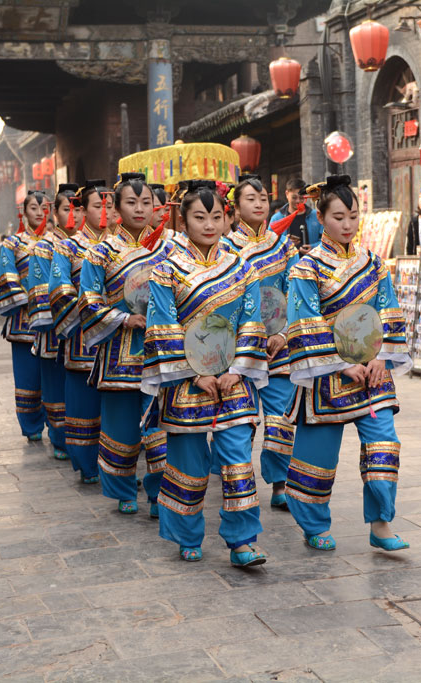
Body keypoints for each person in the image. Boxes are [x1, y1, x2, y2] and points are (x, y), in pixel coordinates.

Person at [142, 179, 269, 567]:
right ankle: (187, 534)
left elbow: (252, 321)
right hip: (187, 382)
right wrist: (195, 373)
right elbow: (163, 327)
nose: (209, 225)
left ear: (227, 218)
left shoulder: (242, 267)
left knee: (237, 460)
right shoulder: (166, 271)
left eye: (216, 216)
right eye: (200, 217)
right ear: (183, 220)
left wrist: (238, 368)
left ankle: (243, 540)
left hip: (233, 379)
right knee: (189, 464)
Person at [284, 175, 412, 552]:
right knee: (317, 460)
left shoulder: (373, 263)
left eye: (353, 217)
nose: (347, 225)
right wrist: (340, 364)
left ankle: (381, 524)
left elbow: (388, 310)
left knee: (384, 445)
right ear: (320, 217)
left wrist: (383, 357)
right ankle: (314, 524)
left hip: (372, 373)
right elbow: (304, 321)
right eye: (338, 217)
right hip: (328, 376)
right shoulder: (306, 268)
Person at [79, 174, 171, 515]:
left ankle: (159, 494)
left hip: (162, 351)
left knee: (161, 427)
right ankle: (123, 490)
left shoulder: (169, 248)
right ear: (116, 208)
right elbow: (88, 300)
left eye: (146, 202)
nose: (140, 209)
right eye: (131, 202)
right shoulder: (101, 252)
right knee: (121, 428)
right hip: (119, 351)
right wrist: (122, 318)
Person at [225, 174, 299, 510]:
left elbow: (295, 291)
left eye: (263, 198)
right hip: (239, 349)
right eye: (250, 199)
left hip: (278, 346)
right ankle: (238, 482)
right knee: (241, 419)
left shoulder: (283, 246)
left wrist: (283, 334)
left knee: (281, 417)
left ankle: (280, 482)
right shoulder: (225, 248)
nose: (258, 204)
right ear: (236, 207)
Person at [49, 181, 104, 484]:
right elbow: (59, 290)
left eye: (110, 205)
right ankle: (88, 465)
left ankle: (117, 469)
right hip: (83, 337)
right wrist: (95, 313)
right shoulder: (68, 247)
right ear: (81, 210)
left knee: (118, 411)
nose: (105, 211)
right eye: (98, 206)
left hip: (120, 340)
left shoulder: (125, 247)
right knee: (84, 406)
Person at [28, 185, 81, 462]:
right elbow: (40, 290)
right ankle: (60, 437)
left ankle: (84, 443)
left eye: (78, 209)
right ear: (55, 213)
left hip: (87, 329)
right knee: (55, 387)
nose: (74, 215)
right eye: (67, 209)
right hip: (55, 330)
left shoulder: (96, 245)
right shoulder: (44, 247)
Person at [0, 194, 50, 442]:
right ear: (24, 211)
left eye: (44, 207)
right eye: (34, 207)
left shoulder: (59, 242)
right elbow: (7, 276)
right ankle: (31, 425)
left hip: (53, 320)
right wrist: (31, 300)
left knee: (52, 377)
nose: (39, 212)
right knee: (28, 377)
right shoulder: (12, 244)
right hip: (24, 322)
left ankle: (57, 425)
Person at [270, 177, 323, 255]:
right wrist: (285, 242)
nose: (298, 201)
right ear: (287, 194)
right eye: (294, 197)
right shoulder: (277, 218)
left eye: (301, 198)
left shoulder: (316, 216)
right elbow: (269, 243)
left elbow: (326, 241)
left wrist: (313, 247)